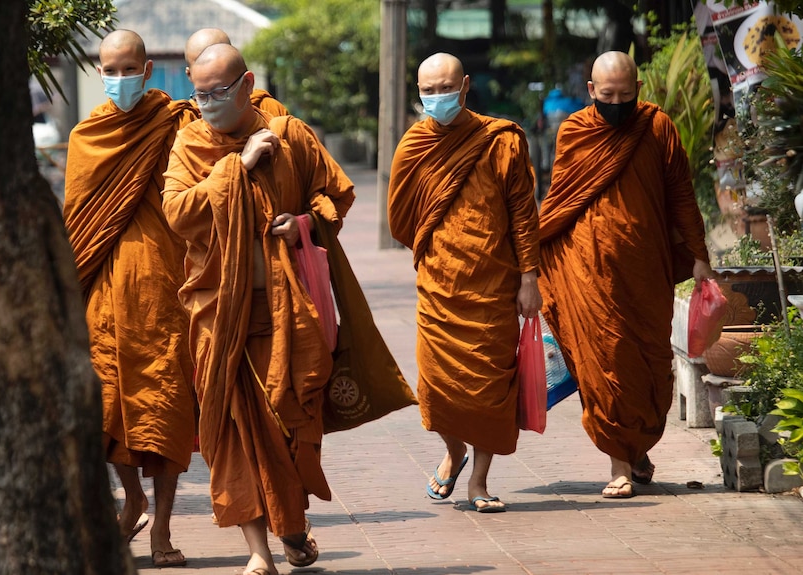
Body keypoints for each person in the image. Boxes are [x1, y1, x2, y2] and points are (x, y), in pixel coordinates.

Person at [161, 43, 354, 575]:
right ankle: (257, 551)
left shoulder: (289, 137)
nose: (206, 105)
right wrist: (236, 168)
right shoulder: (189, 144)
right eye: (198, 94)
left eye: (218, 93)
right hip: (220, 313)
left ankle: (292, 526)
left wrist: (305, 225)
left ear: (247, 84)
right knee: (235, 428)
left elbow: (333, 195)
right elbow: (177, 213)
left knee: (291, 424)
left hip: (288, 310)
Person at [537, 51, 713, 499]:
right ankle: (618, 463)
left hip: (645, 270)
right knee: (604, 364)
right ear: (591, 92)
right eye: (608, 95)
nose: (617, 103)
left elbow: (681, 196)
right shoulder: (574, 131)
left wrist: (698, 255)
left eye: (626, 95)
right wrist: (530, 253)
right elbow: (561, 199)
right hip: (588, 268)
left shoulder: (657, 128)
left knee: (649, 367)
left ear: (638, 90)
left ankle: (636, 449)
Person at [63, 29, 198, 568]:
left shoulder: (175, 124)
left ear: (147, 72)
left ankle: (161, 529)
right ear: (101, 73)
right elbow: (77, 220)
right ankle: (132, 497)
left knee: (164, 405)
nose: (119, 79)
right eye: (109, 70)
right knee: (107, 409)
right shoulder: (85, 135)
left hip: (164, 291)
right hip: (101, 293)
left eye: (128, 70)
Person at [388, 53, 543, 513]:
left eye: (446, 88)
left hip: (493, 285)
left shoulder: (501, 140)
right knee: (437, 386)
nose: (438, 98)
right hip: (439, 286)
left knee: (490, 390)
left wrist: (529, 277)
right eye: (429, 91)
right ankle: (454, 453)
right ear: (418, 92)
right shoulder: (415, 144)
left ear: (466, 85)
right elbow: (400, 217)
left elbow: (523, 212)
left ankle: (480, 480)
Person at [184, 27, 288, 117]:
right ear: (189, 75)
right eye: (202, 63)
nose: (212, 68)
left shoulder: (268, 109)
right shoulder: (186, 122)